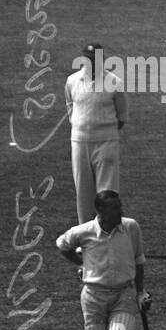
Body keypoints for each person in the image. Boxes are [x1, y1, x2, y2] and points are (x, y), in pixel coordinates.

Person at [55, 190, 151, 330]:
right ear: (101, 211)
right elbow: (62, 245)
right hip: (93, 296)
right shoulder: (84, 232)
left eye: (120, 206)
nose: (121, 211)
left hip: (124, 293)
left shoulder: (131, 228)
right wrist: (83, 263)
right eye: (115, 208)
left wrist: (141, 292)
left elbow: (139, 260)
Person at [65, 42, 126, 225]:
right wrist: (81, 127)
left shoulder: (114, 82)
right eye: (88, 59)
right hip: (79, 142)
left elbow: (121, 115)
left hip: (106, 142)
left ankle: (109, 235)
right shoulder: (72, 81)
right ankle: (86, 236)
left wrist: (103, 131)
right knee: (83, 191)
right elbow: (70, 106)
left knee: (107, 191)